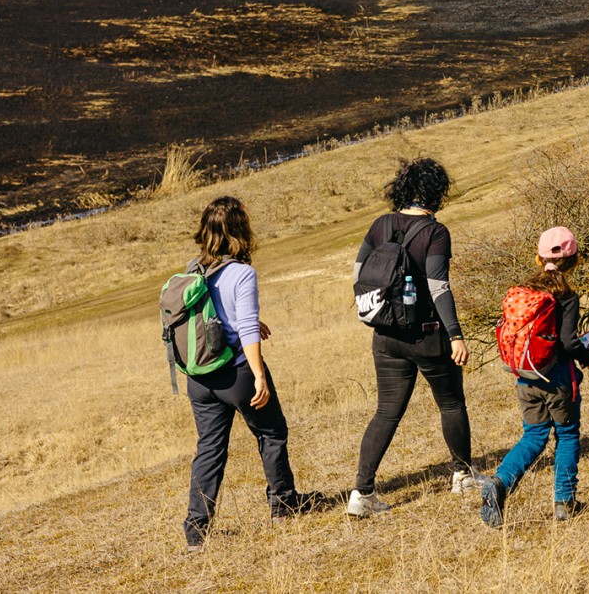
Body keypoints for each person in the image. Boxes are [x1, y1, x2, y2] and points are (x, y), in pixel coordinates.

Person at [181, 196, 333, 552]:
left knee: (210, 449)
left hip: (199, 377)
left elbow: (209, 315)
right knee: (271, 432)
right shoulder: (242, 273)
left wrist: (245, 321)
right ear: (240, 230)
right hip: (235, 372)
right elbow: (246, 328)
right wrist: (259, 373)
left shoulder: (193, 268)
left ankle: (196, 530)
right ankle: (283, 504)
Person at [348, 157, 477, 518]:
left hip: (385, 335)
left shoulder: (380, 224)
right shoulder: (435, 232)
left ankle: (361, 492)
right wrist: (455, 335)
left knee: (386, 412)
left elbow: (358, 275)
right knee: (451, 404)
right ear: (436, 191)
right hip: (427, 337)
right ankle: (463, 476)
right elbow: (439, 288)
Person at [480, 227, 589, 526]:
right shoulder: (566, 296)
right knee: (567, 434)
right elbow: (569, 343)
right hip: (559, 377)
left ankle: (500, 482)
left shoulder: (523, 291)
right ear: (574, 260)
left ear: (538, 259)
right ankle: (565, 502)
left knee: (534, 436)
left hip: (526, 375)